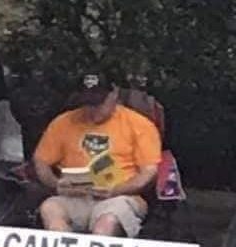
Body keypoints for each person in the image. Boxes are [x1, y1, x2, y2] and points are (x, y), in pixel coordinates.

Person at [34, 74, 162, 237]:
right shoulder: (64, 122)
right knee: (50, 209)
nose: (91, 110)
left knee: (105, 225)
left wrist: (116, 190)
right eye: (87, 104)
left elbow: (149, 172)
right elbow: (41, 161)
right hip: (75, 196)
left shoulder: (139, 124)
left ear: (114, 95)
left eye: (98, 104)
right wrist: (55, 184)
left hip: (121, 196)